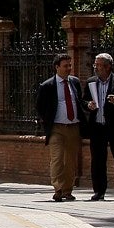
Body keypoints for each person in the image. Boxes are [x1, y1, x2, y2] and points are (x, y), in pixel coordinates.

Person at [37, 53, 85, 201]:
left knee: (70, 160)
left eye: (69, 65)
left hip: (73, 127)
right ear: (57, 67)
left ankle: (67, 190)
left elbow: (79, 101)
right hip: (56, 128)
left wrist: (88, 105)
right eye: (65, 66)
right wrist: (47, 120)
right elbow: (40, 106)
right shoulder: (47, 86)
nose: (68, 68)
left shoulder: (75, 82)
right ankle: (58, 189)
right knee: (57, 159)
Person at [85, 52, 114, 201]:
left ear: (108, 66)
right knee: (98, 160)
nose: (95, 68)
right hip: (97, 126)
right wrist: (88, 105)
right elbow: (84, 100)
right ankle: (99, 191)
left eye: (98, 65)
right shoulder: (91, 82)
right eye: (95, 64)